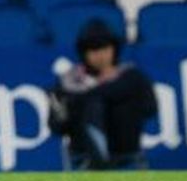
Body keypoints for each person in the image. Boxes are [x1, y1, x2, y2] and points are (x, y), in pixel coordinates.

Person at [47, 19, 157, 170]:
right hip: (84, 153)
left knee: (103, 102)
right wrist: (64, 109)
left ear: (114, 49)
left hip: (125, 150)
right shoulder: (69, 82)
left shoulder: (132, 77)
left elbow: (150, 108)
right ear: (84, 53)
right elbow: (57, 127)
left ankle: (103, 156)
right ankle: (98, 157)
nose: (100, 55)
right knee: (92, 106)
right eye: (93, 50)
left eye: (105, 48)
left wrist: (91, 97)